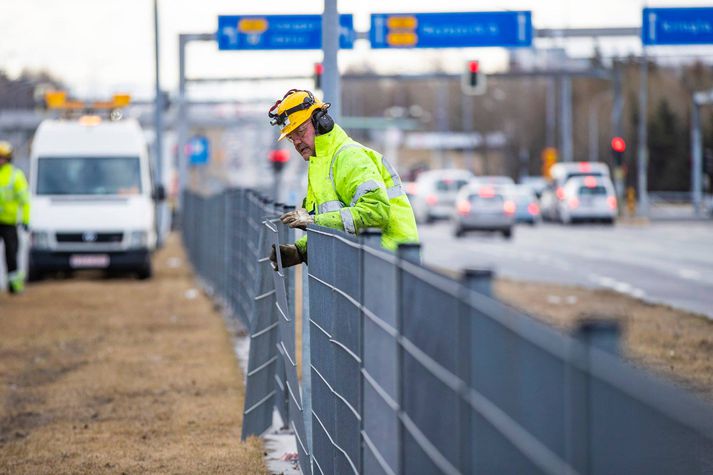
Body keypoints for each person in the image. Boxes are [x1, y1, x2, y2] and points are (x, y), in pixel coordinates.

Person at [267, 89, 419, 269]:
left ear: (321, 122)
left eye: (301, 131)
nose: (297, 141)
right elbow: (337, 224)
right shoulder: (322, 165)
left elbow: (376, 213)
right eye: (291, 138)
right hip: (372, 267)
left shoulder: (349, 157)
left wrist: (314, 221)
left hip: (388, 268)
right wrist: (300, 250)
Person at [0, 141, 30, 294]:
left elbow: (25, 201)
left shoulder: (15, 175)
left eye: (3, 158)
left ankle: (14, 286)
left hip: (9, 222)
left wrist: (25, 220)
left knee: (11, 254)